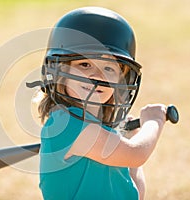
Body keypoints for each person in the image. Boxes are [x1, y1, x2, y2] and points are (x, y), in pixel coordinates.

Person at [28, 7, 166, 200]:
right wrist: (153, 122)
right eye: (84, 65)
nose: (97, 76)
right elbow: (136, 154)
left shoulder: (103, 135)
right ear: (59, 71)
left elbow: (136, 194)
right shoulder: (66, 124)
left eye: (109, 68)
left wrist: (129, 136)